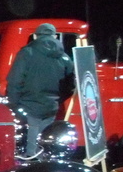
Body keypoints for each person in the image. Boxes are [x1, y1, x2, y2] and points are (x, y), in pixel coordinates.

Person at [6, 23, 75, 156]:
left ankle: (32, 162)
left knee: (32, 144)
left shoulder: (27, 52)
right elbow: (71, 83)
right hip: (51, 105)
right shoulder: (64, 56)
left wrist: (13, 103)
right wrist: (58, 99)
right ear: (55, 36)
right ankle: (42, 161)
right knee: (44, 138)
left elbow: (15, 80)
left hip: (29, 103)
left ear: (36, 36)